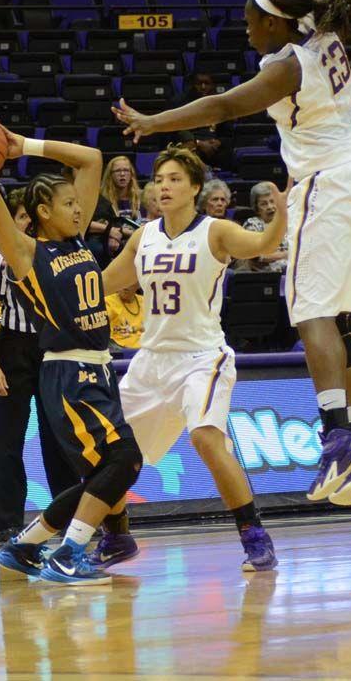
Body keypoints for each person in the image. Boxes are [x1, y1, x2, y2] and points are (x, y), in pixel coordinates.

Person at [112, 0, 351, 506]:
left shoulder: (287, 66)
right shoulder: (317, 23)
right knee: (342, 316)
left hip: (330, 183)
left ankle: (335, 442)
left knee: (308, 309)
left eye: (250, 19)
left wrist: (154, 122)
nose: (246, 27)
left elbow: (217, 109)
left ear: (274, 23)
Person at [0, 128, 142, 586]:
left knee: (99, 476)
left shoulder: (76, 242)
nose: (79, 209)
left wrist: (22, 144)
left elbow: (92, 157)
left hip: (97, 369)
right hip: (68, 372)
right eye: (68, 203)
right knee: (125, 460)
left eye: (79, 202)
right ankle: (70, 552)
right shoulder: (26, 253)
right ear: (43, 212)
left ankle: (25, 546)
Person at [94, 144, 287, 572]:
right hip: (151, 360)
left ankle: (254, 535)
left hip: (202, 356)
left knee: (205, 438)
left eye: (175, 179)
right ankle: (117, 536)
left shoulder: (215, 231)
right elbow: (101, 285)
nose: (164, 186)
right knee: (113, 452)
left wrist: (282, 215)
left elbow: (262, 244)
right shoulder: (144, 236)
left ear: (195, 187)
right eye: (159, 179)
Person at [0, 186, 79, 545]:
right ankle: (7, 523)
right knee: (9, 441)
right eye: (17, 217)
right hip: (14, 350)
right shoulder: (2, 260)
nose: (23, 223)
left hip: (51, 348)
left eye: (26, 217)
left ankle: (69, 518)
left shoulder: (54, 255)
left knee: (60, 438)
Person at [238, 180, 289, 273]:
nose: (270, 206)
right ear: (256, 208)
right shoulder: (252, 224)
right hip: (266, 276)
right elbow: (255, 256)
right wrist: (285, 255)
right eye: (264, 204)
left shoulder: (289, 223)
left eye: (272, 201)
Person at [105, 283, 144, 351]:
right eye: (122, 282)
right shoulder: (108, 301)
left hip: (144, 349)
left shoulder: (145, 302)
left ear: (138, 285)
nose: (125, 287)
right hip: (118, 350)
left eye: (129, 283)